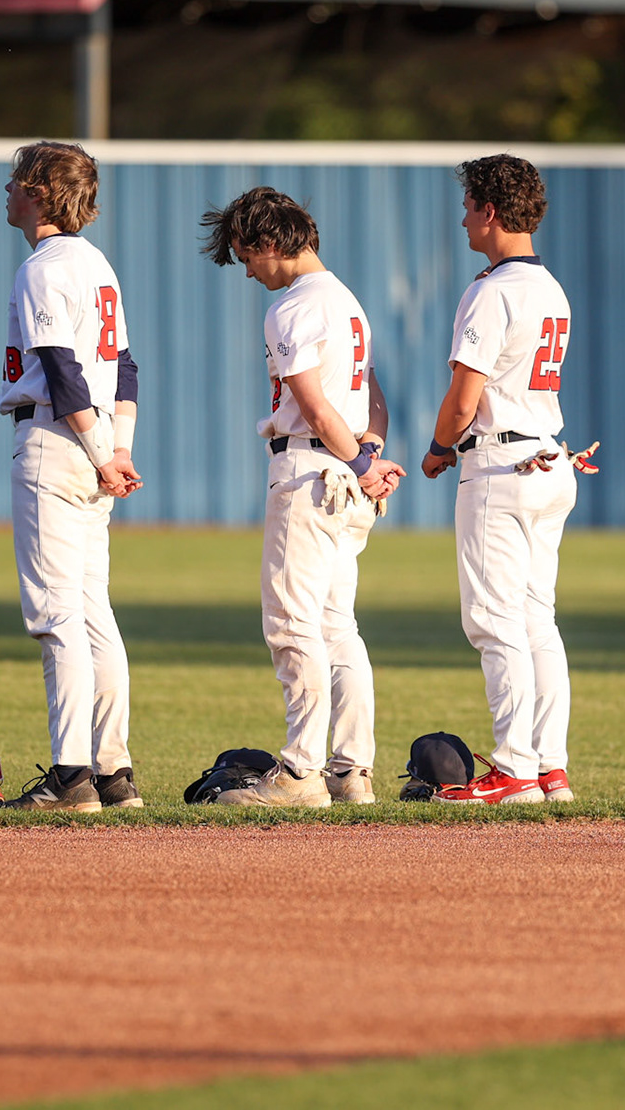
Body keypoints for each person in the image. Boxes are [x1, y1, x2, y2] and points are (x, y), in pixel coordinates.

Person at [199, 187, 405, 808]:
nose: (248, 271)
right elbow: (373, 397)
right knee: (338, 628)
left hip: (311, 474)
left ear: (267, 243)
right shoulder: (346, 302)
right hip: (345, 479)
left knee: (292, 625)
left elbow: (313, 402)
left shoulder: (293, 305)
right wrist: (370, 453)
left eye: (246, 256)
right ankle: (351, 771)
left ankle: (300, 773)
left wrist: (359, 460)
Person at [419, 155, 583, 805]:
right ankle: (549, 768)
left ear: (490, 210)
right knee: (536, 619)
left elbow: (465, 396)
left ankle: (515, 767)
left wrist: (437, 450)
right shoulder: (550, 288)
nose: (463, 220)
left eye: (468, 207)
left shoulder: (493, 290)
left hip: (500, 462)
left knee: (494, 621)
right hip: (548, 458)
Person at [0, 141, 143, 811]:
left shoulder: (45, 265)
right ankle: (113, 773)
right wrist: (118, 449)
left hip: (59, 442)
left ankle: (71, 775)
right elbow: (127, 369)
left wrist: (96, 451)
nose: (7, 191)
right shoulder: (98, 266)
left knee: (58, 615)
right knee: (92, 612)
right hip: (96, 445)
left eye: (15, 182)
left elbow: (61, 369)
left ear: (39, 192)